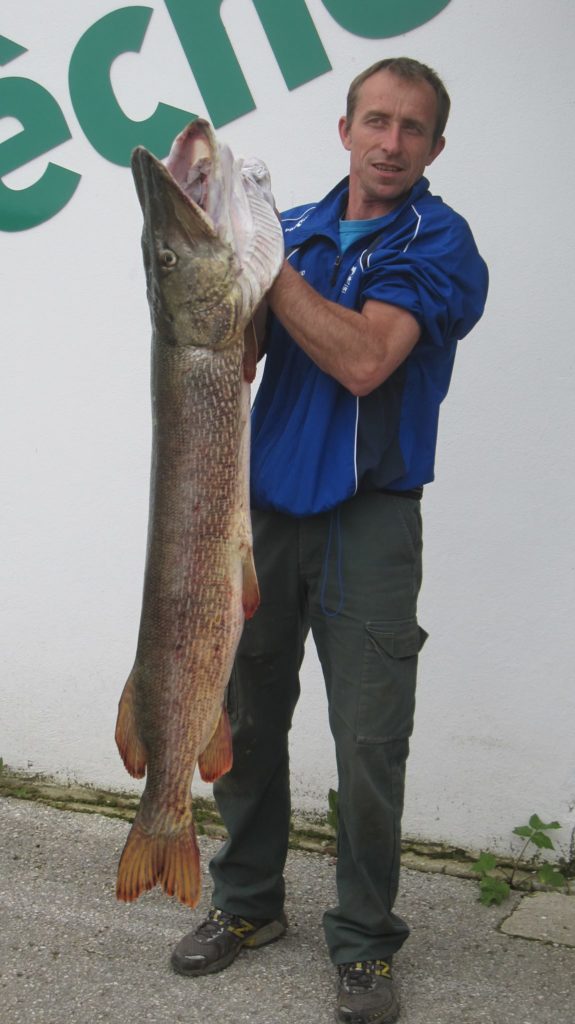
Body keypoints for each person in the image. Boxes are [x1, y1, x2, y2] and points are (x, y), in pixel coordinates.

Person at [171, 57, 488, 1024]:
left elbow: (361, 360)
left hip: (369, 522)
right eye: (376, 122)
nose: (391, 144)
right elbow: (232, 351)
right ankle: (248, 905)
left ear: (434, 147)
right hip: (259, 515)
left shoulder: (437, 241)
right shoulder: (295, 228)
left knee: (368, 743)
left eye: (413, 129)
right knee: (249, 721)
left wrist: (266, 270)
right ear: (345, 130)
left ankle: (362, 941)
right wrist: (196, 233)